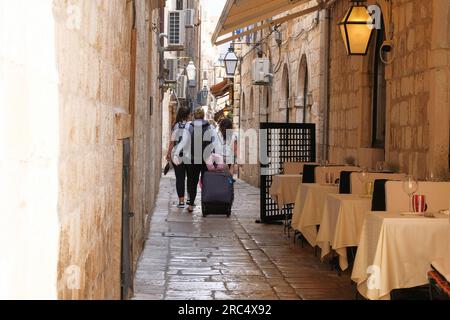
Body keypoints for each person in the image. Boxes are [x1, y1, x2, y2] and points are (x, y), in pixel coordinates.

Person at [173, 107, 217, 213]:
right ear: (203, 116)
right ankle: (205, 205)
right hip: (206, 158)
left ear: (194, 115)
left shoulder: (189, 126)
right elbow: (214, 142)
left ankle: (191, 205)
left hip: (192, 159)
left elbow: (183, 141)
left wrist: (176, 153)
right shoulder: (210, 127)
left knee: (193, 182)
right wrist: (215, 156)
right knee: (206, 181)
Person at [166, 106, 191, 208]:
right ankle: (190, 199)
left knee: (179, 178)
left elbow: (172, 142)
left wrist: (168, 153)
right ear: (187, 115)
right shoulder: (190, 125)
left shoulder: (176, 126)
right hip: (189, 155)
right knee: (190, 178)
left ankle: (181, 201)